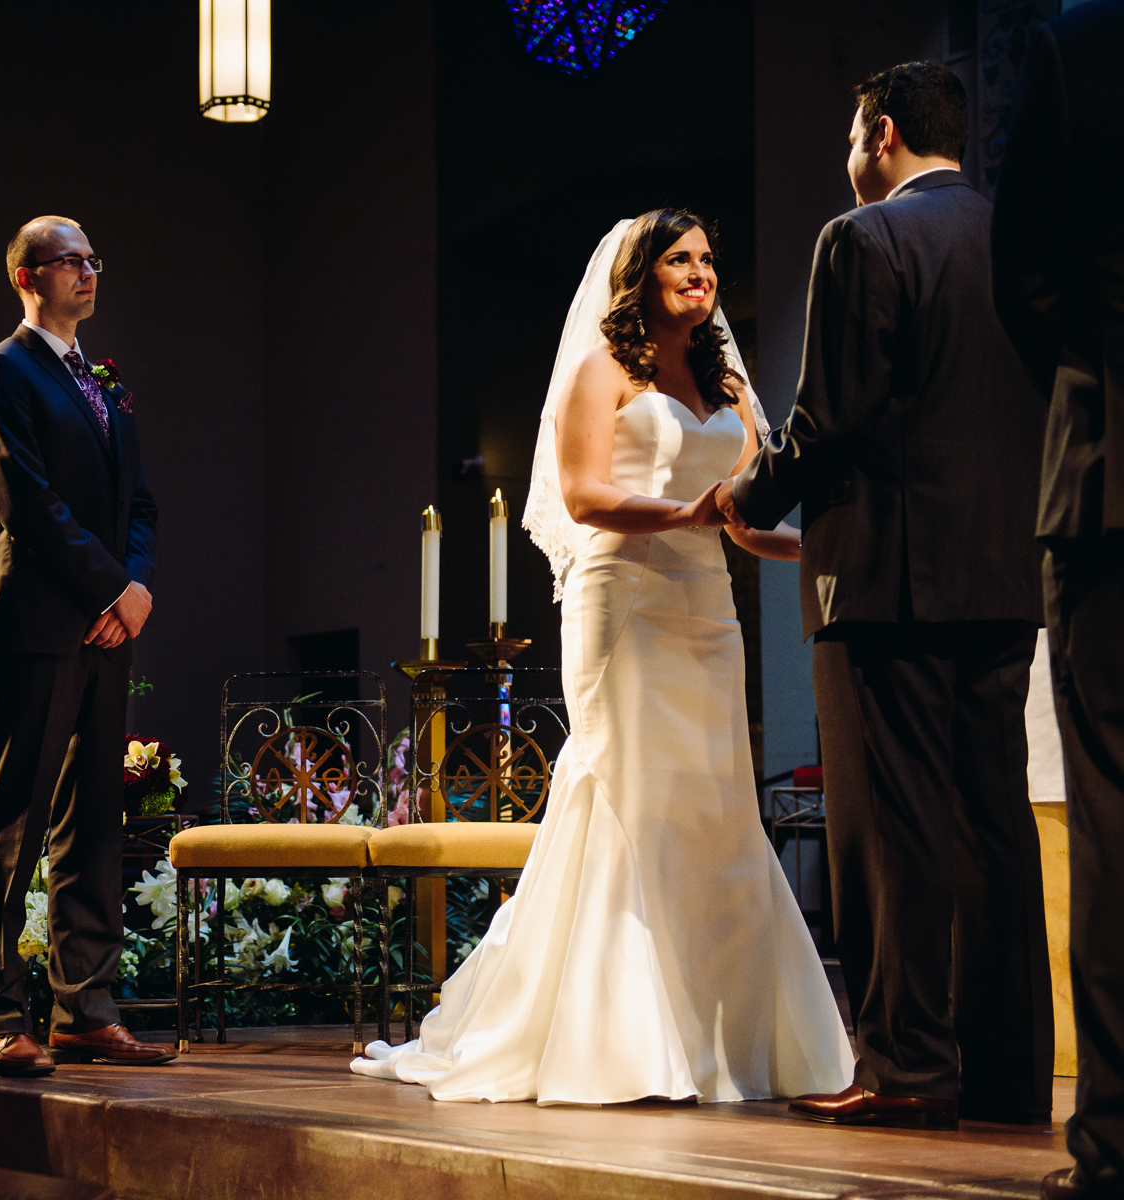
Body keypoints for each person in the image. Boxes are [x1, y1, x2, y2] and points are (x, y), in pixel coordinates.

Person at [351, 210, 854, 1104]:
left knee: (713, 805)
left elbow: (750, 517)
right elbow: (583, 494)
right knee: (629, 796)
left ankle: (725, 1038)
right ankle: (620, 1036)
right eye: (678, 258)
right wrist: (682, 515)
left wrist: (825, 551)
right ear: (641, 272)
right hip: (622, 598)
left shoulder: (728, 385)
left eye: (706, 259)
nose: (699, 273)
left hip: (707, 606)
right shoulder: (602, 367)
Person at [717, 60, 1052, 1130]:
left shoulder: (861, 239)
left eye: (854, 135)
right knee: (994, 824)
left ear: (885, 133)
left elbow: (832, 419)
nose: (849, 155)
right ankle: (1006, 1073)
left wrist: (748, 492)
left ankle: (909, 1068)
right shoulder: (1020, 235)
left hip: (888, 581)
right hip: (1006, 573)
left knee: (892, 830)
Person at [0, 215, 167, 1075]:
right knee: (15, 816)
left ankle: (86, 1006)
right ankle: (2, 1013)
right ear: (26, 276)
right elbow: (24, 498)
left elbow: (141, 504)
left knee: (94, 819)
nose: (88, 272)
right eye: (70, 261)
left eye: (92, 260)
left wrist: (138, 589)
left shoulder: (104, 383)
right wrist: (106, 587)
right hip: (40, 622)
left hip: (109, 624)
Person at [990, 2, 1124, 1193]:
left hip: (1112, 488)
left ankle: (1121, 1144)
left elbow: (1026, 275)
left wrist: (1094, 395)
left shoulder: (1079, 46)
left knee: (1115, 826)